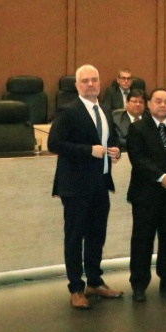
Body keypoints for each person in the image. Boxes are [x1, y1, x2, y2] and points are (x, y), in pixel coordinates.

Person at [48, 64, 123, 309]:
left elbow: (109, 139)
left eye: (94, 80)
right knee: (74, 237)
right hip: (75, 186)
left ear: (100, 83)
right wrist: (88, 150)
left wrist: (115, 150)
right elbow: (54, 144)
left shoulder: (105, 110)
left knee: (96, 235)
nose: (91, 84)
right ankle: (76, 288)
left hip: (100, 184)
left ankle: (94, 281)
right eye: (85, 81)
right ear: (77, 85)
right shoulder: (68, 111)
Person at [125, 88, 166, 302]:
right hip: (146, 194)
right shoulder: (137, 128)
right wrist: (162, 177)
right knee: (142, 240)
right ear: (149, 104)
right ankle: (139, 284)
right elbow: (138, 159)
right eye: (158, 101)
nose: (163, 105)